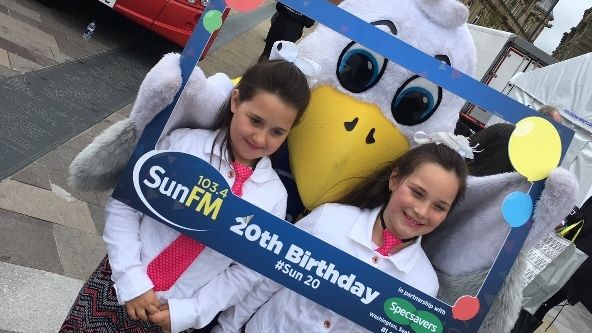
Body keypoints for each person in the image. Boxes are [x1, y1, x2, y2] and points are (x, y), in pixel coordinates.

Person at [59, 59, 311, 333]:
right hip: (117, 285)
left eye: (277, 132)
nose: (260, 139)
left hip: (172, 317)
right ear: (236, 101)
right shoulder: (182, 146)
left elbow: (245, 272)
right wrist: (131, 279)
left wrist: (191, 312)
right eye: (255, 121)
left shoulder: (273, 198)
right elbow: (125, 205)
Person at [212, 136, 470, 332]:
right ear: (394, 180)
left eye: (439, 207)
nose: (422, 211)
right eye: (417, 192)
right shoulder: (330, 220)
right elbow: (265, 279)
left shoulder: (424, 284)